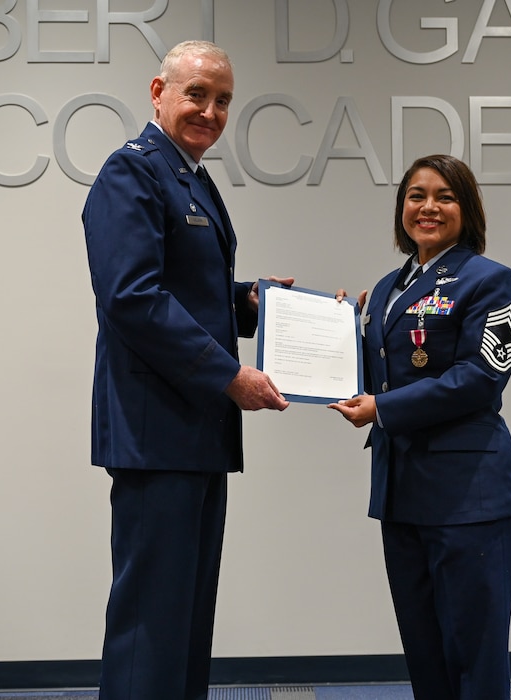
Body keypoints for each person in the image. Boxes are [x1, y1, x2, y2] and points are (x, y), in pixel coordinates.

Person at [81, 40, 292, 700]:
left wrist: (250, 302)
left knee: (186, 619)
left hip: (193, 433)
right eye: (197, 93)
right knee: (151, 623)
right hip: (158, 436)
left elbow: (187, 291)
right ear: (158, 92)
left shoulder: (192, 180)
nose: (210, 110)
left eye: (223, 99)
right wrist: (230, 375)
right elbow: (132, 299)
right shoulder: (131, 173)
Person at [329, 154, 511, 700]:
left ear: (467, 208)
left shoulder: (489, 280)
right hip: (401, 492)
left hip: (468, 497)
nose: (428, 207)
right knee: (425, 651)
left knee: (472, 654)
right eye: (416, 196)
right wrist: (338, 326)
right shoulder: (387, 289)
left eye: (444, 196)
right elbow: (378, 377)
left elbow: (480, 378)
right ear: (402, 209)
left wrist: (383, 411)